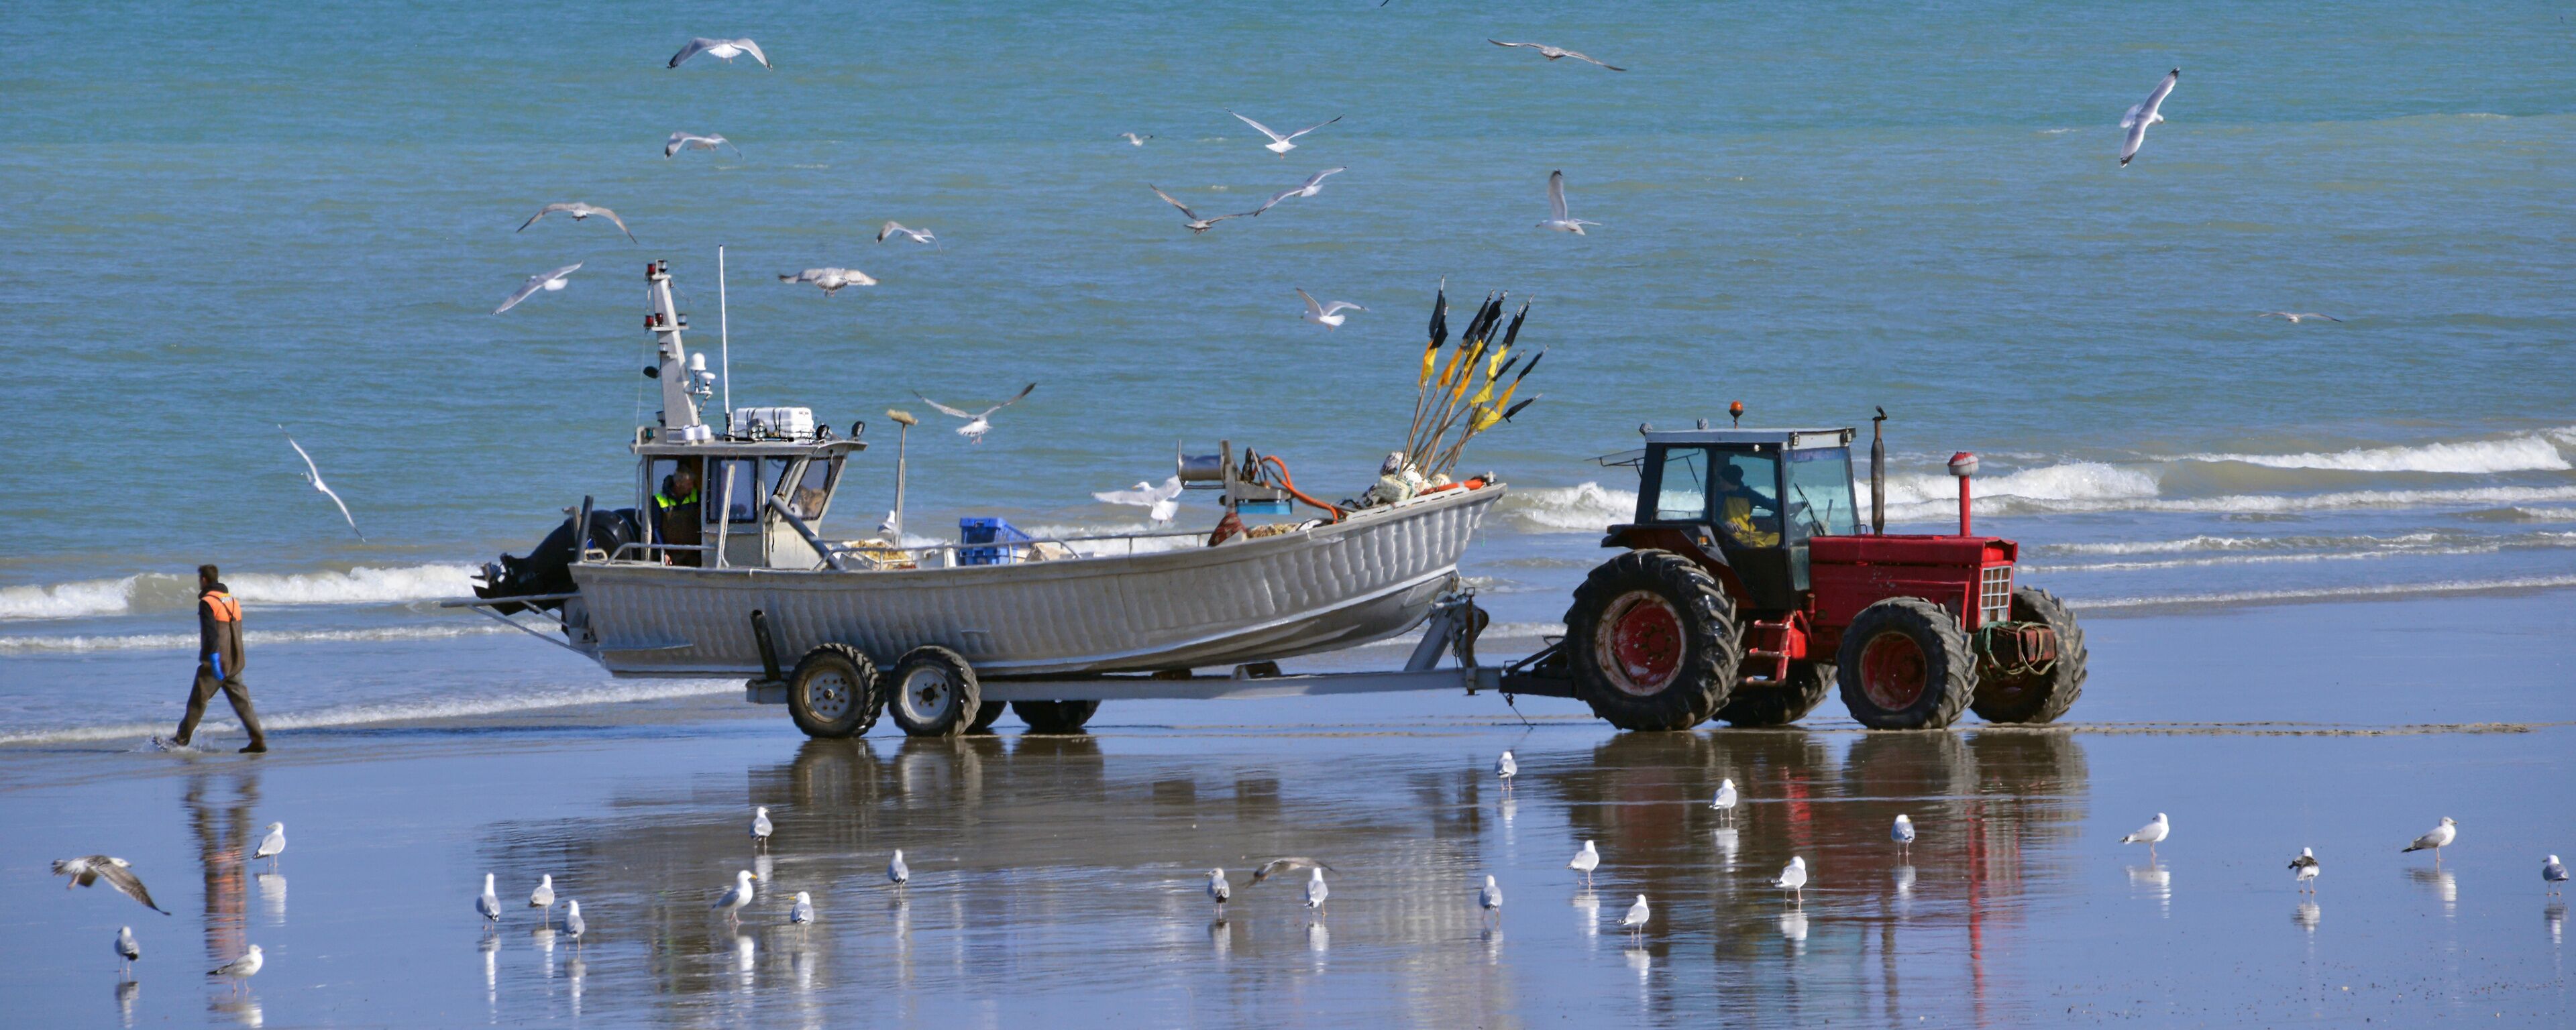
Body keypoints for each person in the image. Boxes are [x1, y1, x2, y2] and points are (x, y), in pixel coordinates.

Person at [172, 565, 266, 753]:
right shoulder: (233, 600)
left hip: (217, 663)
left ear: (204, 580)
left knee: (197, 702)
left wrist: (214, 659)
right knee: (243, 703)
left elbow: (211, 633)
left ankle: (180, 741)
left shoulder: (207, 602)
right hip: (236, 661)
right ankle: (258, 741)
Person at [1713, 463, 1781, 548]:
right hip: (1729, 536)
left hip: (1749, 533)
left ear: (1731, 481)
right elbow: (1711, 516)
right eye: (1720, 480)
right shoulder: (1719, 496)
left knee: (1777, 537)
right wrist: (1724, 524)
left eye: (1723, 481)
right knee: (1758, 546)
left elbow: (1770, 504)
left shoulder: (1748, 494)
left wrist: (1789, 507)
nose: (1720, 484)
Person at [653, 461, 704, 567]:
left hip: (694, 553)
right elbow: (656, 529)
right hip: (672, 555)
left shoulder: (696, 495)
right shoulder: (659, 500)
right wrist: (663, 553)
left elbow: (713, 504)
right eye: (689, 484)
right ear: (678, 484)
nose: (692, 487)